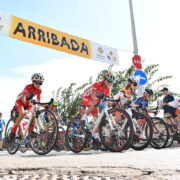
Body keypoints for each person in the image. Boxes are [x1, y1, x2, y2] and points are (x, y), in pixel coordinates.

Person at [80, 70, 115, 140]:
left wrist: (109, 102)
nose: (109, 83)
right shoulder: (97, 84)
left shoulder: (108, 89)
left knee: (98, 118)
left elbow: (106, 99)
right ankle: (83, 118)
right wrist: (97, 103)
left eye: (110, 82)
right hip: (87, 97)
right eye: (108, 81)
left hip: (96, 101)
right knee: (93, 105)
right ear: (104, 79)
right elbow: (93, 95)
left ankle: (94, 134)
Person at [9, 73, 45, 140]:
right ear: (33, 82)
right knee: (22, 113)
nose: (39, 85)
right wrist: (27, 108)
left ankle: (31, 131)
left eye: (41, 83)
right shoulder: (28, 86)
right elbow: (23, 98)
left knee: (34, 114)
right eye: (37, 83)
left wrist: (45, 106)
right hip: (20, 101)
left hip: (28, 102)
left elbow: (38, 102)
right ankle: (13, 131)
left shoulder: (39, 90)